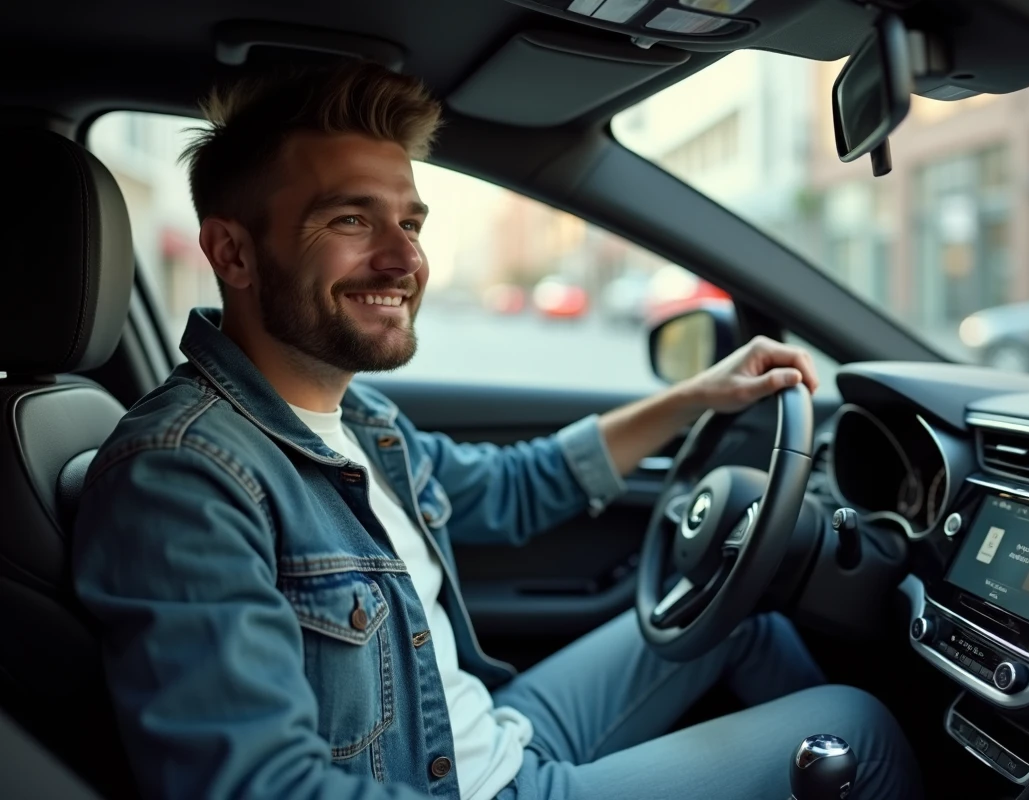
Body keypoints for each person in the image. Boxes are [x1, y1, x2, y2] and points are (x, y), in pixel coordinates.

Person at [73, 62, 921, 800]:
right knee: (859, 727)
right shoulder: (183, 478)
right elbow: (260, 789)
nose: (405, 261)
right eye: (349, 220)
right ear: (234, 255)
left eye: (409, 222)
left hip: (478, 732)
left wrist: (698, 395)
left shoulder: (354, 414)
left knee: (737, 611)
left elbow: (516, 487)